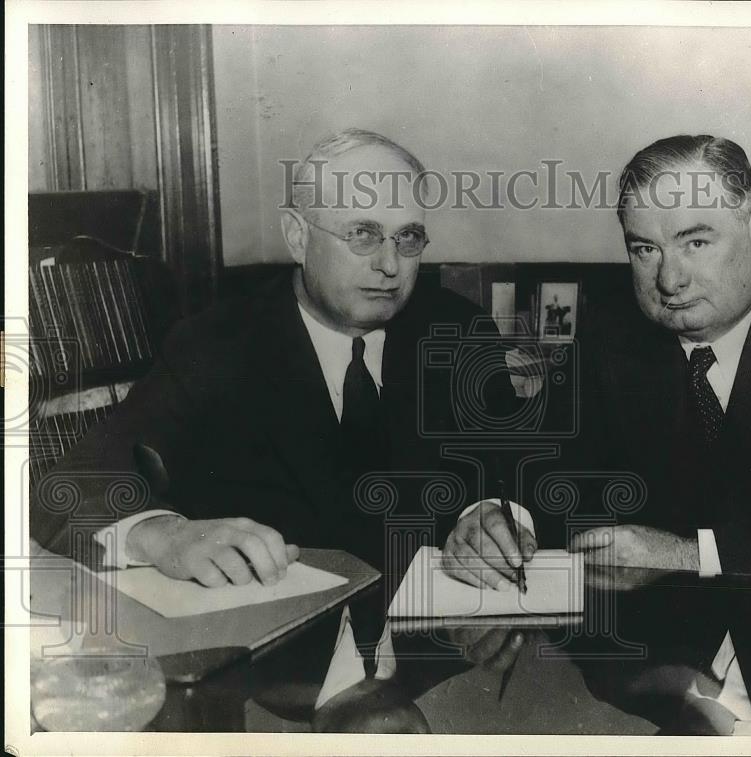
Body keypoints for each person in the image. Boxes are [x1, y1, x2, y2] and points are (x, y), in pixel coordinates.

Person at [33, 129, 515, 586]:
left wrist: (491, 511)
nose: (389, 266)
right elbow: (72, 486)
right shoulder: (216, 346)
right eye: (363, 235)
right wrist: (165, 535)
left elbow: (524, 466)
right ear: (298, 236)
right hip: (281, 656)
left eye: (407, 238)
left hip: (436, 654)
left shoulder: (458, 333)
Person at [444, 133, 751, 585]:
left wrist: (686, 556)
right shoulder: (609, 333)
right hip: (659, 645)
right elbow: (545, 462)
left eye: (696, 243)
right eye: (646, 250)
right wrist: (497, 519)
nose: (669, 279)